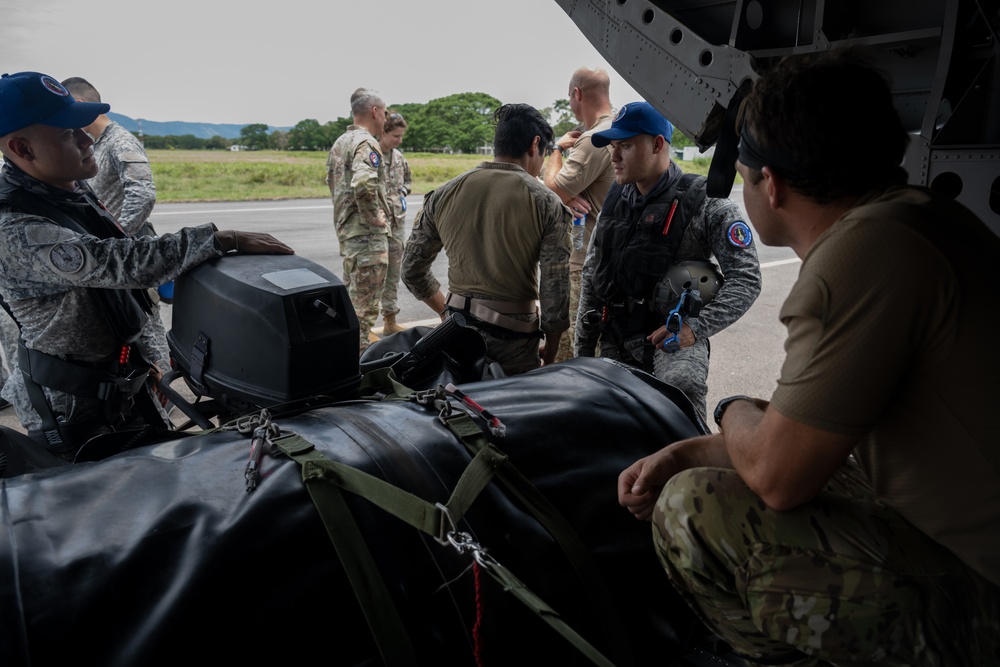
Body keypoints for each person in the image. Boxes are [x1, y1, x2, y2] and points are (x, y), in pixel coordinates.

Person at [617, 48, 1000, 665]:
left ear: (771, 183)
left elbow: (776, 475)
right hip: (959, 533)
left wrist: (730, 408)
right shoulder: (924, 220)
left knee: (693, 510)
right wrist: (683, 451)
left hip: (982, 592)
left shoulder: (861, 256)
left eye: (744, 174)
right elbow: (809, 436)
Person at [0, 71, 293, 460]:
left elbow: (114, 276)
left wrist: (144, 360)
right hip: (74, 413)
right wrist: (218, 238)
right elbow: (118, 262)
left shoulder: (69, 190)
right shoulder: (15, 226)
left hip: (120, 384)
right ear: (23, 148)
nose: (88, 140)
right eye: (69, 134)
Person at [576, 101, 761, 421]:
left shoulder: (705, 202)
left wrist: (694, 328)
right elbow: (593, 273)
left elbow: (746, 278)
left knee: (680, 395)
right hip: (617, 337)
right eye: (612, 147)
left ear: (657, 144)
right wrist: (581, 354)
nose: (614, 157)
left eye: (626, 146)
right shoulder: (615, 198)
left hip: (675, 342)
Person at [402, 103, 570, 375]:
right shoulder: (547, 203)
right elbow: (555, 291)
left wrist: (445, 312)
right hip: (514, 344)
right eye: (544, 154)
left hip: (455, 333)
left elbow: (411, 270)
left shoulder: (445, 193)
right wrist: (551, 350)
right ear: (534, 144)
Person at [61, 76, 172, 408]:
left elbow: (143, 194)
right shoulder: (94, 144)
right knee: (130, 334)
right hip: (112, 258)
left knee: (148, 331)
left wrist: (116, 240)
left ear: (80, 106)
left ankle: (168, 400)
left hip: (128, 255)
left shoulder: (120, 140)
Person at [542, 67, 616, 363]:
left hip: (584, 260)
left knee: (579, 347)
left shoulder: (594, 138)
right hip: (607, 256)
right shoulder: (618, 129)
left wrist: (555, 149)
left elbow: (552, 189)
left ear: (576, 94)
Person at [326, 87, 392, 353]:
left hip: (350, 233)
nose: (386, 119)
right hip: (366, 238)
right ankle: (359, 362)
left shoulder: (341, 143)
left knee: (353, 297)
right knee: (364, 306)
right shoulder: (366, 143)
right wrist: (374, 217)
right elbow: (364, 183)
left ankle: (345, 350)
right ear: (374, 111)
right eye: (385, 113)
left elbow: (332, 183)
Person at [378, 109, 412, 336]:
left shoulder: (399, 158)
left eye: (401, 136)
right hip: (375, 227)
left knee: (392, 274)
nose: (399, 140)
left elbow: (408, 180)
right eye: (395, 136)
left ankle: (390, 320)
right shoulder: (369, 155)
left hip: (396, 226)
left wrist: (403, 192)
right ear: (383, 132)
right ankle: (364, 324)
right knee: (371, 276)